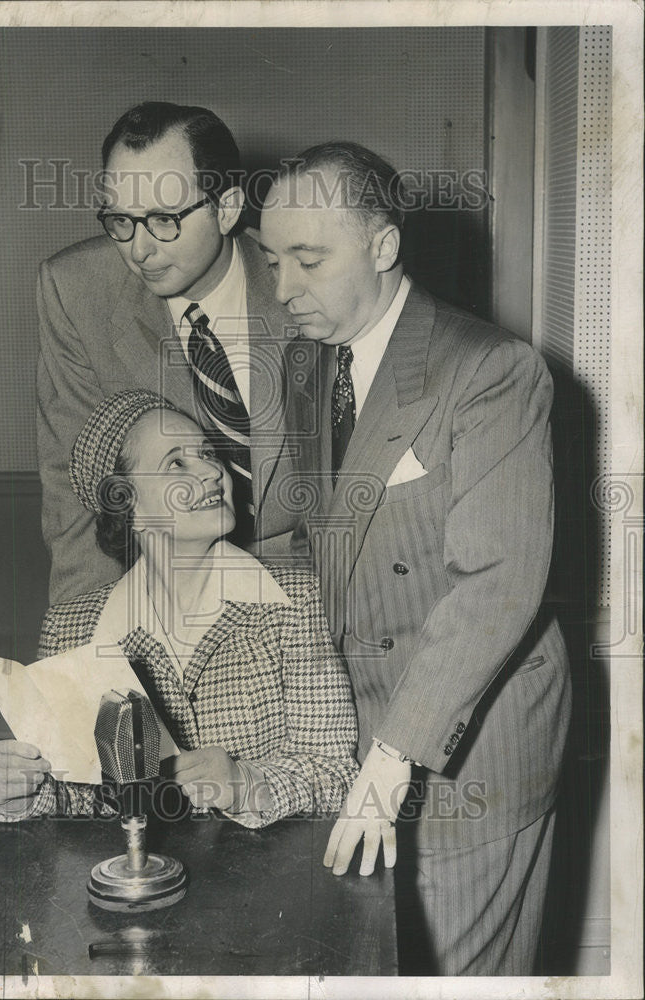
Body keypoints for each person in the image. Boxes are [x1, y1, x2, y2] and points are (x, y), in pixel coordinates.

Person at [258, 142, 571, 975]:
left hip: (467, 744)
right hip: (358, 735)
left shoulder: (490, 372)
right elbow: (308, 542)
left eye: (308, 260)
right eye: (271, 259)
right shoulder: (304, 364)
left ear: (384, 247)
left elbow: (497, 585)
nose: (282, 287)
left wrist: (393, 759)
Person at [0, 389, 358, 828]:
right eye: (176, 463)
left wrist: (246, 783)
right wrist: (15, 790)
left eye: (208, 454)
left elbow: (338, 775)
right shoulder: (73, 630)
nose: (212, 473)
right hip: (134, 888)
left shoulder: (294, 602)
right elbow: (79, 796)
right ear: (128, 505)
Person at [38, 101, 303, 605]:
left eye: (163, 219)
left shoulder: (302, 283)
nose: (139, 250)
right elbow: (76, 498)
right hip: (163, 598)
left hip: (308, 591)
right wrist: (84, 662)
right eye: (120, 220)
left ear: (226, 209)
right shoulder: (75, 291)